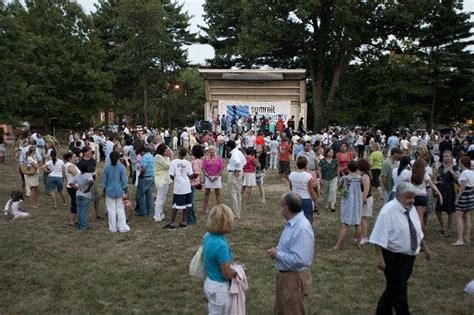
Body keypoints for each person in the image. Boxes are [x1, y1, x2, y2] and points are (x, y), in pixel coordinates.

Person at [369, 182, 432, 315]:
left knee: (393, 289)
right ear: (398, 195)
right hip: (393, 256)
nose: (412, 201)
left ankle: (383, 311)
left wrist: (425, 248)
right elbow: (378, 236)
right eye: (408, 197)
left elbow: (416, 229)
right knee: (399, 289)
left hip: (409, 257)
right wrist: (380, 258)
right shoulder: (387, 211)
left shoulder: (410, 208)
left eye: (413, 197)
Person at [268, 192, 314, 315]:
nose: (280, 209)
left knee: (294, 311)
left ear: (286, 208)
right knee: (282, 310)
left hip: (294, 278)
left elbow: (300, 259)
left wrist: (277, 254)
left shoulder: (301, 228)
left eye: (281, 206)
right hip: (287, 276)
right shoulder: (293, 223)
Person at [203, 204, 236, 314]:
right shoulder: (221, 245)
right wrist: (236, 273)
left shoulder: (207, 237)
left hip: (209, 281)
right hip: (220, 287)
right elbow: (226, 273)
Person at [333, 161, 362, 250]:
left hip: (347, 202)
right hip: (357, 202)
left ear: (348, 168)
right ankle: (358, 243)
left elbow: (338, 187)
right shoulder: (360, 178)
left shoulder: (345, 178)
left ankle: (338, 245)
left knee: (345, 223)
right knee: (357, 223)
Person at [164, 148, 195, 229]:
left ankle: (172, 222)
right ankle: (184, 221)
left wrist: (176, 180)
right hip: (187, 185)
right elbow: (191, 175)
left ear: (178, 153)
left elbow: (171, 175)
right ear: (185, 155)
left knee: (175, 205)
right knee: (186, 204)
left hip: (178, 187)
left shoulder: (173, 162)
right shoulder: (188, 163)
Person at [410, 158, 443, 234]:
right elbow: (432, 184)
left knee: (413, 216)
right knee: (420, 217)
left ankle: (413, 233)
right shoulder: (424, 174)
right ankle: (421, 234)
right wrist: (439, 193)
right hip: (422, 196)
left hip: (413, 196)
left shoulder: (411, 173)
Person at [102, 151, 130, 233]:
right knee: (120, 209)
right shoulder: (121, 167)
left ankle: (113, 228)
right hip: (119, 191)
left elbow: (104, 182)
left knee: (111, 210)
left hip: (109, 191)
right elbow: (124, 181)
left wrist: (105, 189)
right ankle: (122, 227)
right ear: (119, 158)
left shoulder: (107, 168)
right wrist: (126, 191)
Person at [434, 150, 459, 236]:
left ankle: (448, 229)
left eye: (448, 156)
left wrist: (452, 172)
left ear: (451, 157)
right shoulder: (441, 166)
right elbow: (437, 177)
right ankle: (442, 227)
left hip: (449, 190)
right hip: (441, 190)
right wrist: (436, 171)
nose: (446, 158)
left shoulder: (454, 167)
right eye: (444, 156)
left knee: (449, 211)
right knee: (437, 210)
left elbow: (458, 179)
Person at [289, 156, 318, 224]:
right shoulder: (308, 176)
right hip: (306, 199)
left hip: (295, 199)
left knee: (296, 218)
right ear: (306, 164)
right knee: (308, 219)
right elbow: (310, 190)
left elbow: (291, 187)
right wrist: (315, 199)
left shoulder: (291, 175)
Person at [453, 156, 474, 245]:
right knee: (467, 216)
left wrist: (457, 198)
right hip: (470, 196)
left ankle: (460, 239)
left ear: (463, 163)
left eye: (460, 162)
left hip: (464, 196)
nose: (459, 163)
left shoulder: (464, 173)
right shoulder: (472, 172)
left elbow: (462, 186)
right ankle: (467, 238)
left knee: (459, 217)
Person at [153, 143, 173, 222]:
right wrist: (171, 156)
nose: (167, 152)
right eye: (166, 151)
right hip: (161, 180)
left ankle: (161, 213)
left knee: (163, 199)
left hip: (165, 180)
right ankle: (157, 216)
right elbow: (168, 165)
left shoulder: (164, 157)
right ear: (161, 151)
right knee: (159, 199)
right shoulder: (158, 157)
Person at [71, 163, 95, 230]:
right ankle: (84, 226)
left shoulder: (77, 176)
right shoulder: (88, 175)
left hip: (78, 194)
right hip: (86, 195)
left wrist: (76, 188)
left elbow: (71, 183)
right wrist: (88, 189)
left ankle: (79, 224)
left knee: (79, 209)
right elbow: (91, 181)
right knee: (84, 210)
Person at [226, 140, 246, 219]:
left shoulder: (234, 154)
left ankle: (235, 213)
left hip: (234, 173)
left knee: (233, 193)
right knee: (238, 192)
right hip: (239, 172)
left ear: (229, 147)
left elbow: (237, 162)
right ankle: (238, 212)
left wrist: (236, 169)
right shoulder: (239, 152)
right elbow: (244, 161)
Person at [202, 145, 224, 214]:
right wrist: (207, 176)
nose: (211, 151)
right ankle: (205, 207)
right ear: (208, 151)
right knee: (207, 192)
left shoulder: (219, 159)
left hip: (216, 177)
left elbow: (221, 169)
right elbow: (203, 168)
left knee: (217, 192)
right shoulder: (205, 159)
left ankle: (219, 207)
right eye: (210, 150)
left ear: (215, 151)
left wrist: (217, 176)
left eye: (213, 150)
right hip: (208, 176)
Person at [136, 146, 154, 217]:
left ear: (143, 151)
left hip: (145, 178)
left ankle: (142, 211)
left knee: (140, 195)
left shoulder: (144, 158)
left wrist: (140, 175)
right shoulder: (152, 157)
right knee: (148, 195)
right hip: (152, 177)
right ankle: (149, 211)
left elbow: (143, 168)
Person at [358, 159, 373, 245]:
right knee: (361, 218)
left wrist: (363, 199)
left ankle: (364, 237)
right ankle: (360, 236)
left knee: (363, 219)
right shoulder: (364, 174)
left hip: (366, 199)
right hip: (364, 198)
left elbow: (366, 188)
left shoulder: (365, 176)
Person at [188, 144, 204, 225]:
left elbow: (196, 173)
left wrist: (187, 176)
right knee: (190, 201)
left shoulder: (195, 162)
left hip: (192, 182)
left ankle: (192, 220)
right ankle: (190, 218)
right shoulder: (198, 161)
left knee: (191, 201)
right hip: (194, 182)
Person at [64, 152, 80, 226]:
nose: (75, 158)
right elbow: (76, 176)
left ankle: (74, 219)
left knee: (75, 203)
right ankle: (72, 221)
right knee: (74, 204)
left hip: (72, 186)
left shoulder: (70, 165)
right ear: (69, 158)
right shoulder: (70, 166)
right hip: (73, 187)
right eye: (73, 157)